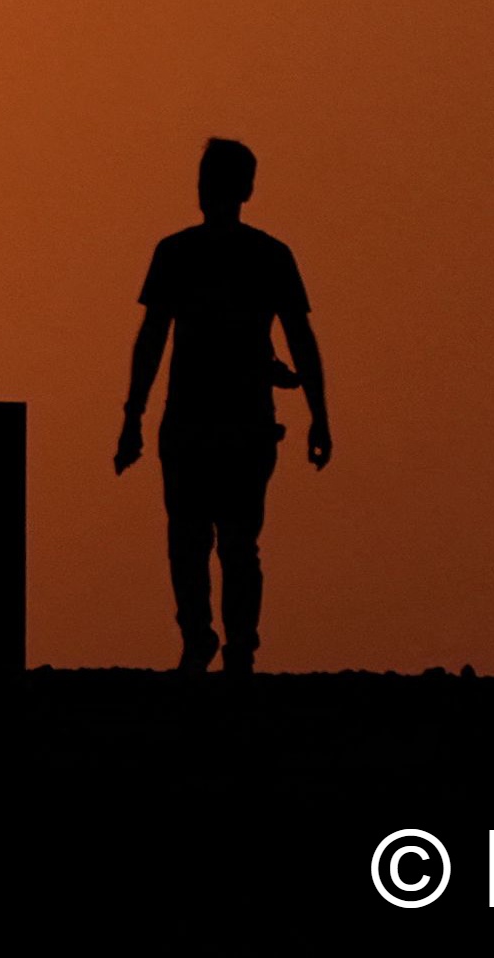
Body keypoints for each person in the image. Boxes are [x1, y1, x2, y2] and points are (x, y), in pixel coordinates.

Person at [112, 134, 327, 674]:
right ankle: (219, 645)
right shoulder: (246, 255)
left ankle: (224, 646)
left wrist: (133, 417)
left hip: (224, 422)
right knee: (211, 541)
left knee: (214, 541)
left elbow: (154, 338)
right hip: (211, 421)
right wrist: (133, 417)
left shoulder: (194, 254)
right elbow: (154, 336)